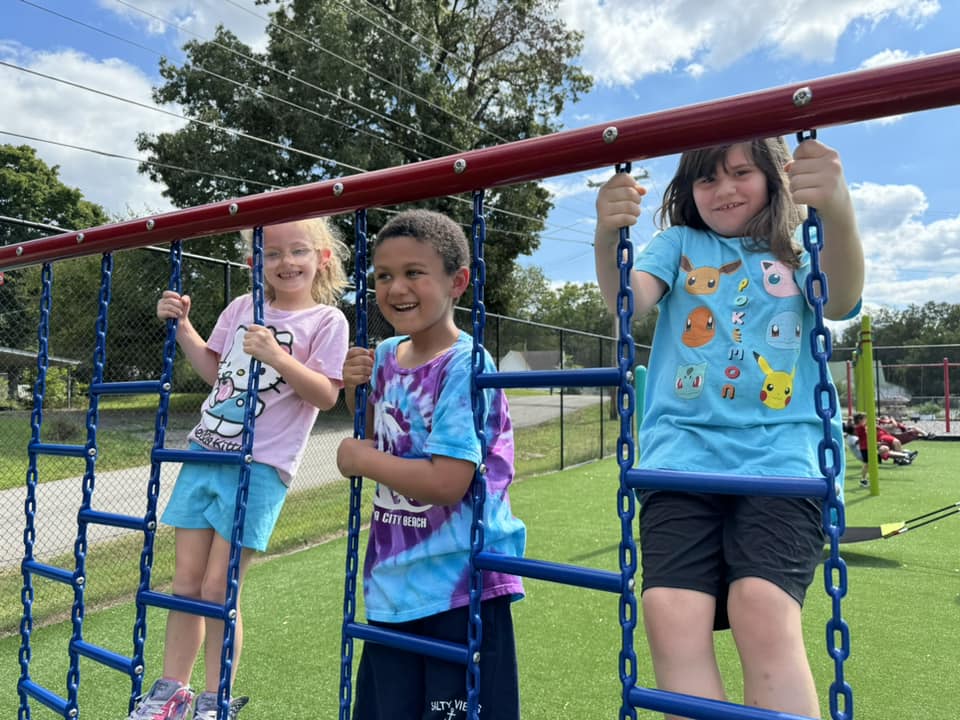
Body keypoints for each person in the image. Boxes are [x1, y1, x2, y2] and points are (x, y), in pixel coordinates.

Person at [594, 136, 864, 717]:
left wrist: (837, 209)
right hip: (680, 457)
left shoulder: (798, 248)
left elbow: (840, 299)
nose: (724, 189)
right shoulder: (678, 244)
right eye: (707, 179)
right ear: (689, 192)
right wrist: (607, 233)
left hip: (784, 460)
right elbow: (626, 303)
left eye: (741, 172)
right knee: (669, 610)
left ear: (774, 178)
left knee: (761, 604)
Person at [128, 218, 350, 720]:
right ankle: (171, 690)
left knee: (218, 588)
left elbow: (327, 395)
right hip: (204, 454)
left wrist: (276, 354)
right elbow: (214, 373)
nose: (286, 262)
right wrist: (183, 327)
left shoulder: (326, 321)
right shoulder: (242, 307)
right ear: (255, 264)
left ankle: (214, 698)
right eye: (271, 254)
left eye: (298, 251)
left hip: (260, 467)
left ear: (323, 258)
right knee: (184, 582)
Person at [337, 209, 526, 720]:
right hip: (392, 587)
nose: (397, 287)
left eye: (414, 272)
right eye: (383, 276)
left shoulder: (467, 363)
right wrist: (359, 389)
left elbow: (447, 480)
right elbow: (382, 431)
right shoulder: (385, 356)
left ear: (457, 281)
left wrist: (361, 459)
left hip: (463, 587)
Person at [851, 413, 917, 487]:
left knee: (870, 463)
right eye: (864, 418)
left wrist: (876, 443)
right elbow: (865, 435)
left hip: (869, 447)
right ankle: (864, 480)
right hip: (865, 448)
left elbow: (866, 437)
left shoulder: (862, 427)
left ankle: (864, 480)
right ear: (860, 420)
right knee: (869, 464)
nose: (866, 420)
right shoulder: (860, 427)